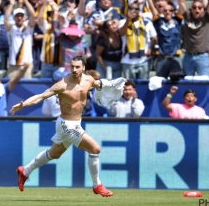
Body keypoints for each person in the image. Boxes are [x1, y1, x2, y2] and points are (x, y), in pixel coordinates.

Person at [10, 56, 126, 197]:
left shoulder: (88, 80)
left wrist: (112, 84)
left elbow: (98, 83)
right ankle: (97, 185)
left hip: (74, 123)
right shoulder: (62, 85)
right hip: (66, 124)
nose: (74, 70)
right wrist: (23, 104)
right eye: (72, 67)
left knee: (54, 154)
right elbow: (41, 96)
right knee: (95, 148)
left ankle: (25, 171)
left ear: (83, 68)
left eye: (78, 67)